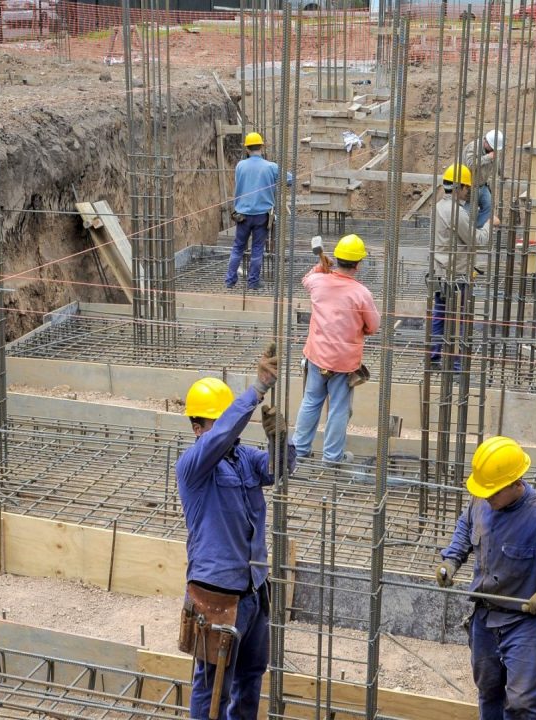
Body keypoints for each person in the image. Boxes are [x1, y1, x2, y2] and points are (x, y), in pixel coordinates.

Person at [176, 350, 295, 720]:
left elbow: (279, 470)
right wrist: (258, 389)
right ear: (198, 428)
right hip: (216, 594)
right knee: (212, 685)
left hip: (254, 590)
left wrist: (280, 440)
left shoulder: (243, 459)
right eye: (217, 421)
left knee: (250, 676)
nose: (227, 428)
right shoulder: (193, 467)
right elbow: (225, 432)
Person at [435, 436, 536, 720]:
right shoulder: (482, 501)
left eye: (493, 493)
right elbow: (466, 525)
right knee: (488, 691)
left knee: (521, 704)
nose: (487, 498)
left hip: (524, 624)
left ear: (516, 483)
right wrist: (451, 560)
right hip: (485, 620)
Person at [292, 233, 380, 464]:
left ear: (337, 259)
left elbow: (307, 278)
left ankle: (298, 451)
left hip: (316, 357)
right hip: (343, 362)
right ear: (358, 264)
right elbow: (373, 326)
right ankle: (331, 458)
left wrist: (321, 267)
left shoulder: (318, 283)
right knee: (339, 409)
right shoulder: (361, 293)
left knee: (311, 401)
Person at [432, 163, 494, 370]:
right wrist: (489, 225)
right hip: (457, 275)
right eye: (467, 188)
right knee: (459, 319)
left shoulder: (438, 207)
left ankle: (434, 357)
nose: (468, 192)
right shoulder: (456, 212)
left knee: (440, 314)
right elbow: (475, 240)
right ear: (458, 187)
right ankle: (456, 367)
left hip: (440, 272)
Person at [228, 131, 293, 291]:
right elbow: (289, 179)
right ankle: (253, 282)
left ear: (247, 149)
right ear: (262, 147)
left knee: (238, 247)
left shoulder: (240, 166)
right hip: (262, 216)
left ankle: (230, 280)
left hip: (242, 214)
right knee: (257, 248)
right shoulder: (271, 167)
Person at [461, 129, 506, 229]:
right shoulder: (474, 147)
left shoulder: (492, 150)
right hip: (469, 186)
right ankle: (465, 232)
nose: (493, 150)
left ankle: (476, 231)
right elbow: (470, 164)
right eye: (492, 147)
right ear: (486, 141)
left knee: (488, 206)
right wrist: (487, 158)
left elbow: (497, 162)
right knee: (468, 212)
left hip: (482, 185)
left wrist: (501, 173)